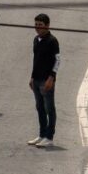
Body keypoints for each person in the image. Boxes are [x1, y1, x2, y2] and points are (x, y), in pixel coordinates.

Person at [29, 13, 60, 148]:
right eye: (36, 25)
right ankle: (42, 135)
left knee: (49, 109)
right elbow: (35, 60)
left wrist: (51, 78)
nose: (37, 27)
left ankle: (49, 137)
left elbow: (57, 61)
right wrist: (32, 77)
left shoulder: (52, 41)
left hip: (46, 81)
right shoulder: (36, 40)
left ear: (47, 26)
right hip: (36, 80)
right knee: (40, 107)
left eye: (40, 25)